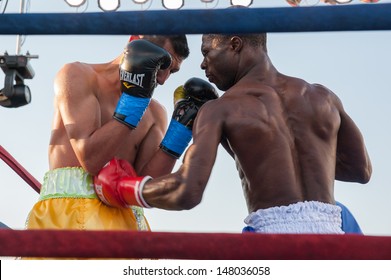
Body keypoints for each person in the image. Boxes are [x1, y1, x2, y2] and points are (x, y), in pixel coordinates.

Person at [94, 32, 372, 234]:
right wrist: (304, 161)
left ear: (234, 44)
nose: (203, 65)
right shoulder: (323, 96)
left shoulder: (220, 109)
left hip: (274, 241)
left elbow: (187, 192)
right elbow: (361, 171)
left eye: (207, 52)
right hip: (334, 236)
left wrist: (123, 189)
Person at [25, 35, 195, 232]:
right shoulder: (78, 75)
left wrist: (179, 135)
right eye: (163, 65)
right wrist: (133, 104)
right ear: (136, 46)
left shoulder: (155, 112)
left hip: (126, 223)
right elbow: (91, 159)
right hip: (67, 216)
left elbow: (148, 186)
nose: (163, 79)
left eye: (172, 71)